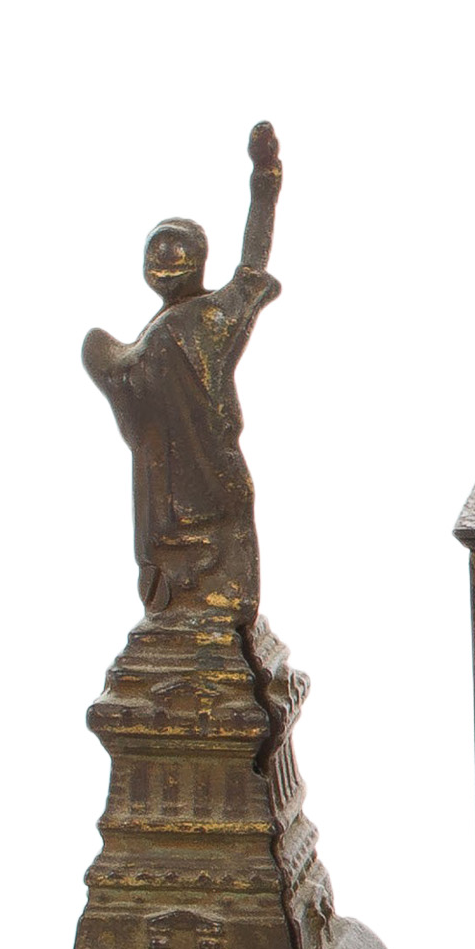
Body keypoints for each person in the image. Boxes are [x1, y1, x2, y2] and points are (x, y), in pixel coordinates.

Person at [83, 123, 285, 619]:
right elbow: (250, 266)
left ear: (197, 261)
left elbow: (252, 262)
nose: (165, 260)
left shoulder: (207, 318)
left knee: (223, 589)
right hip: (168, 498)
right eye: (158, 251)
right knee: (181, 593)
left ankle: (226, 628)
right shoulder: (178, 328)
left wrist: (265, 182)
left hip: (209, 483)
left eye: (176, 251)